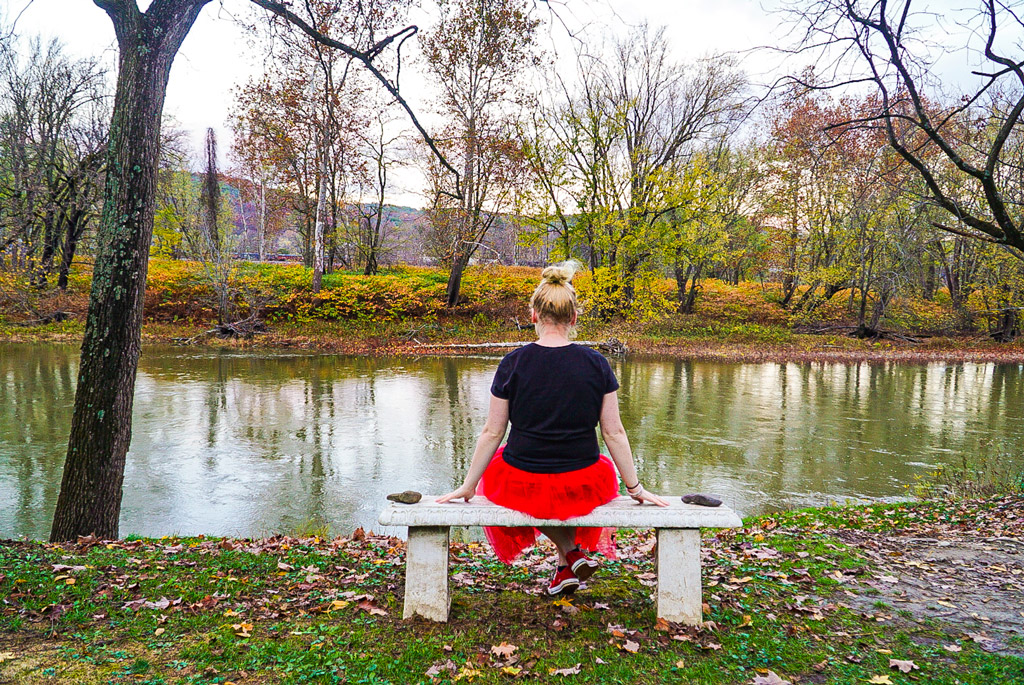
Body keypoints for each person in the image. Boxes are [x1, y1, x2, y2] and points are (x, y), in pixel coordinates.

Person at [438, 261, 668, 595]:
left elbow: (492, 432)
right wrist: (634, 488)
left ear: (533, 315)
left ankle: (570, 558)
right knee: (560, 496)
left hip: (521, 475)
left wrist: (469, 485)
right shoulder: (597, 363)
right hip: (585, 476)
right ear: (573, 318)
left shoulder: (513, 363)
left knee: (526, 490)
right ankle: (568, 563)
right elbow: (614, 432)